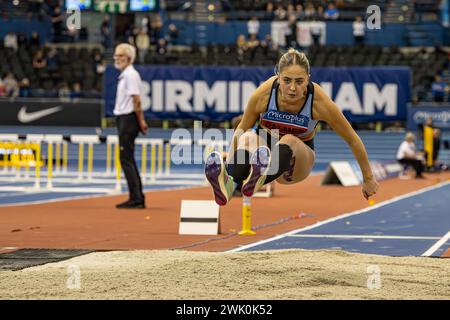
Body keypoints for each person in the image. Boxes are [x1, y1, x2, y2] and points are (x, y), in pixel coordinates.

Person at [205, 48, 379, 206]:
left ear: (308, 79)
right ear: (278, 77)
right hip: (263, 150)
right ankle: (230, 182)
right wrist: (231, 164)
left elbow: (352, 139)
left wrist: (368, 178)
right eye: (287, 80)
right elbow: (241, 129)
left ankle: (260, 175)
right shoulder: (263, 94)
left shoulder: (319, 102)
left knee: (289, 139)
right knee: (247, 137)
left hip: (295, 163)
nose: (293, 88)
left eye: (299, 81)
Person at [113, 43, 148, 209]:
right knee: (127, 159)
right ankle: (136, 196)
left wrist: (141, 121)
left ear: (129, 58)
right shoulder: (125, 75)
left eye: (121, 56)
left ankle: (136, 198)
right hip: (125, 118)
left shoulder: (130, 75)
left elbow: (137, 99)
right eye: (116, 56)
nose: (118, 59)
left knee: (126, 159)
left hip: (128, 119)